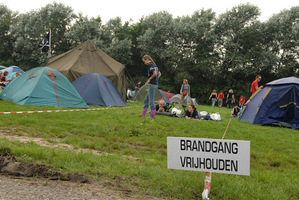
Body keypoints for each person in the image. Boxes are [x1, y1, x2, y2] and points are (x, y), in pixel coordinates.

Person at [139, 55, 161, 119]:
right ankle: (143, 114)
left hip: (152, 84)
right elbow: (159, 74)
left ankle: (152, 116)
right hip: (154, 84)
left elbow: (155, 74)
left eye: (144, 61)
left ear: (147, 59)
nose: (144, 63)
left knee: (151, 100)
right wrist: (156, 79)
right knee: (146, 99)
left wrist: (150, 79)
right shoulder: (154, 65)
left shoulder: (151, 65)